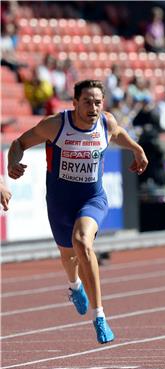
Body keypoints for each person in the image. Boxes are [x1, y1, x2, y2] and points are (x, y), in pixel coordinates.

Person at [7, 79, 149, 344]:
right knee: (68, 257)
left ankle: (100, 317)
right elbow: (18, 143)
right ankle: (74, 286)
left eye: (97, 102)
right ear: (74, 103)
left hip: (92, 198)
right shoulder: (56, 125)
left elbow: (118, 134)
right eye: (87, 102)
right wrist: (13, 163)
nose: (93, 107)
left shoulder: (106, 122)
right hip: (60, 203)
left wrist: (137, 149)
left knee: (82, 241)